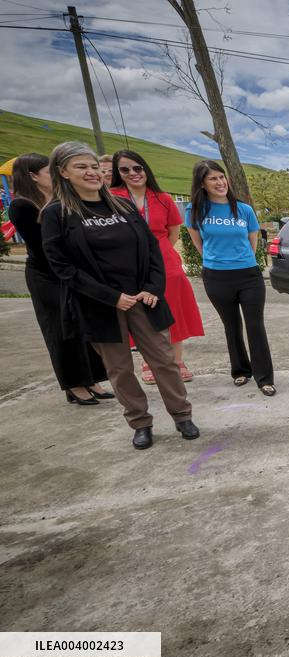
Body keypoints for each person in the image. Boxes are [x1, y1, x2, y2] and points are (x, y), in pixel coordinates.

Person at [41, 141, 199, 449]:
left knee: (164, 360)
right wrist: (110, 296)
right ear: (63, 172)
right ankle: (140, 422)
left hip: (144, 299)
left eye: (93, 166)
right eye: (80, 167)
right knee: (120, 368)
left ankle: (182, 415)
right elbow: (62, 266)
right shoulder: (57, 215)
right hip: (100, 305)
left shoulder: (122, 206)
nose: (90, 173)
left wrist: (153, 288)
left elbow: (153, 248)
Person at [9, 152, 112, 405]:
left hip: (71, 272)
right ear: (33, 176)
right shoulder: (22, 206)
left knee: (81, 326)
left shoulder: (61, 199)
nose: (55, 176)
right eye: (49, 172)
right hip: (47, 276)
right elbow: (43, 246)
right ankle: (74, 385)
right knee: (60, 330)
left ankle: (92, 380)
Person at [111, 149, 204, 384]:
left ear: (145, 169)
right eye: (125, 169)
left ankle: (177, 360)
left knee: (173, 310)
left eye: (137, 168)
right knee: (141, 312)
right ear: (117, 173)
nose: (133, 173)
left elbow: (173, 232)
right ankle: (148, 361)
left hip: (164, 259)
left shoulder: (162, 198)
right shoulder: (112, 197)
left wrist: (156, 252)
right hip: (129, 262)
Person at [185, 160, 275, 396]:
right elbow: (198, 243)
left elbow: (252, 240)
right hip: (216, 277)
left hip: (248, 275)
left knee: (255, 326)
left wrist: (241, 260)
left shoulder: (243, 209)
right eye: (213, 178)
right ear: (202, 183)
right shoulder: (195, 210)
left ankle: (264, 377)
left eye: (221, 177)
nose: (220, 182)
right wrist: (216, 261)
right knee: (231, 326)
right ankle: (240, 370)